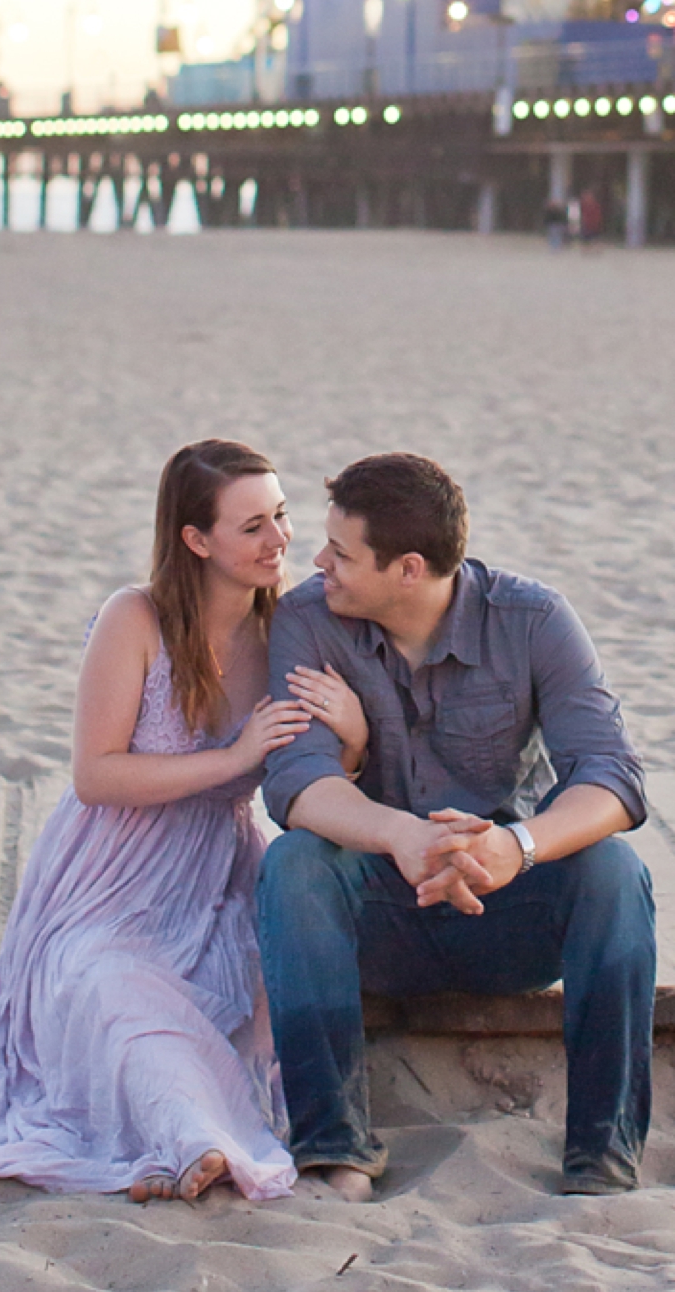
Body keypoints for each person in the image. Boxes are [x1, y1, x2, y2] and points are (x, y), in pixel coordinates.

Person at [0, 440, 367, 1205]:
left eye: (282, 517)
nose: (280, 540)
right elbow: (96, 775)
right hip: (109, 875)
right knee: (110, 989)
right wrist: (234, 758)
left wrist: (352, 735)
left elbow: (320, 776)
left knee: (252, 1004)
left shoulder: (285, 628)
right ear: (196, 539)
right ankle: (197, 1140)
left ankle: (200, 1135)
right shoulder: (136, 618)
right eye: (252, 525)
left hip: (220, 872)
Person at [255, 452, 653, 1199]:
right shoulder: (307, 620)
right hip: (379, 908)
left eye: (341, 552)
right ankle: (333, 1146)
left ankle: (601, 1155)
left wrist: (515, 845)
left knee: (615, 872)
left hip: (503, 907)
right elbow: (296, 782)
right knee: (295, 864)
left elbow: (613, 775)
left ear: (408, 568)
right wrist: (400, 835)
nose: (317, 562)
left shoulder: (533, 621)